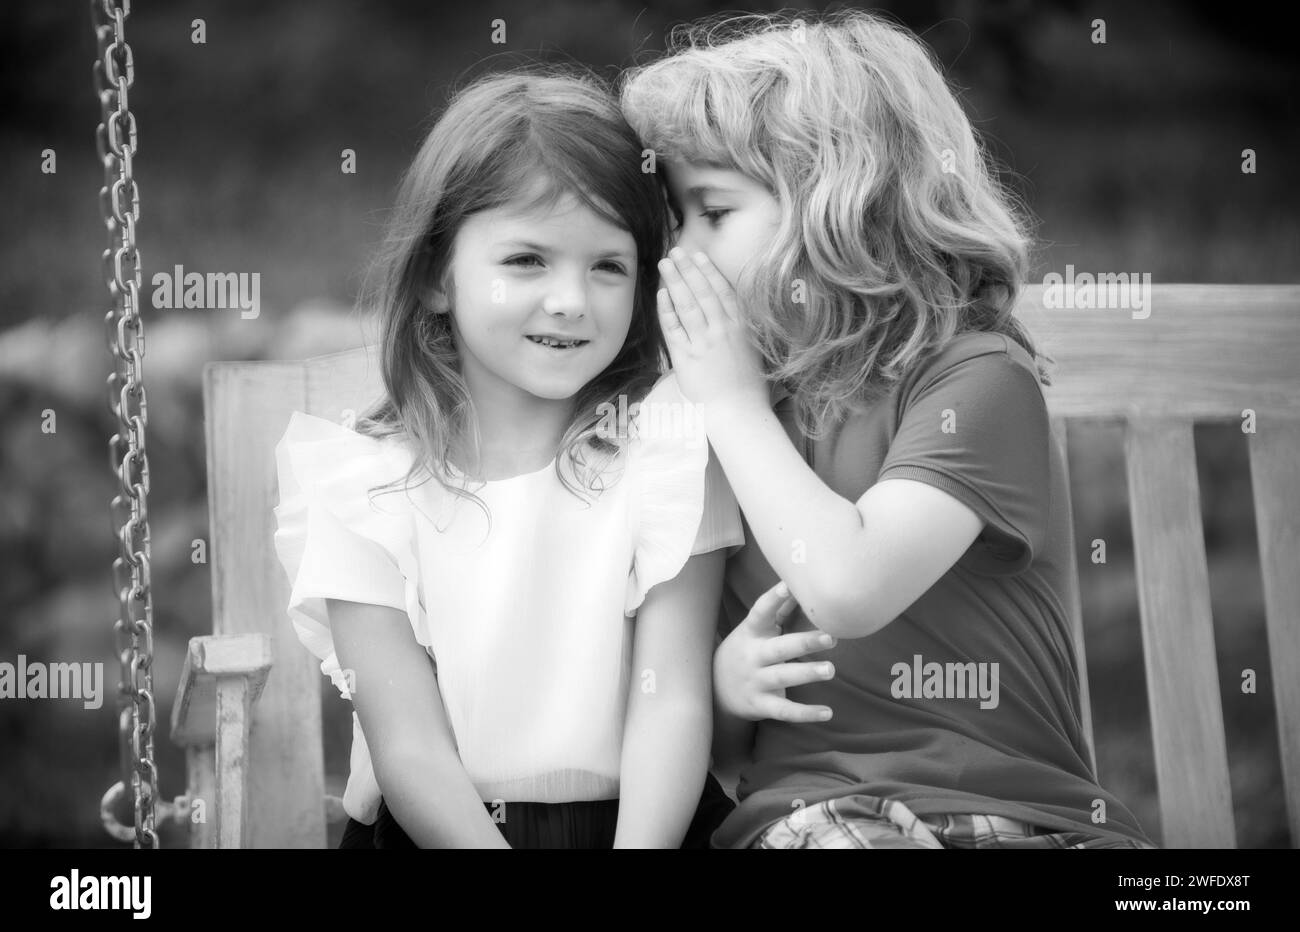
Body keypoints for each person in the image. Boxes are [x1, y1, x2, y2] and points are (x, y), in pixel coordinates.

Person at [620, 10, 1156, 848]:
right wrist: (727, 690)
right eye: (673, 221)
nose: (678, 255)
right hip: (813, 824)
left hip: (1018, 822)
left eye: (712, 213)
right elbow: (719, 757)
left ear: (841, 207)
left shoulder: (977, 380)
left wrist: (730, 405)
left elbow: (848, 585)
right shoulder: (725, 420)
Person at [271, 69, 743, 848]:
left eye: (608, 265)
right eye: (527, 260)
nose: (570, 299)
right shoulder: (364, 486)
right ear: (434, 278)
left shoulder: (666, 448)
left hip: (645, 827)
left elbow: (673, 701)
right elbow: (409, 746)